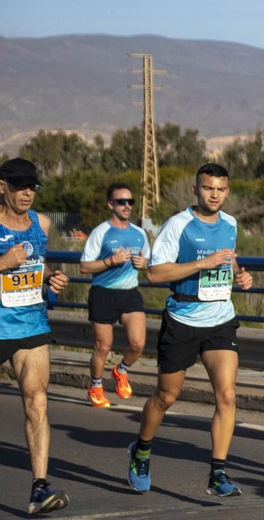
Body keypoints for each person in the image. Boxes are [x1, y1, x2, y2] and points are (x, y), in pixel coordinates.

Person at [135, 163, 254, 498]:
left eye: (220, 189)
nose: (214, 195)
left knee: (227, 395)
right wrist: (201, 263)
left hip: (219, 319)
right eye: (208, 188)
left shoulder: (230, 223)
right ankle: (142, 450)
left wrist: (240, 276)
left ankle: (218, 473)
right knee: (166, 397)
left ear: (227, 192)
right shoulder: (178, 225)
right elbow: (155, 275)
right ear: (195, 190)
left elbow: (229, 262)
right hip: (182, 320)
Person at [0, 158, 72, 515]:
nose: (26, 193)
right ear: (2, 187)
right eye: (19, 186)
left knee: (37, 400)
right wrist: (2, 263)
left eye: (32, 186)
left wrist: (51, 278)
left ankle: (39, 488)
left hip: (31, 324)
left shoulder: (41, 223)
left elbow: (36, 265)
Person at [79, 182, 149, 408]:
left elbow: (147, 259)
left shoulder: (139, 233)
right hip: (103, 294)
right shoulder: (100, 233)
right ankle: (96, 385)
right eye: (121, 202)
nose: (127, 206)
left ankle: (121, 370)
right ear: (111, 204)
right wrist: (111, 261)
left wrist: (143, 263)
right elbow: (84, 267)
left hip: (129, 293)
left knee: (138, 344)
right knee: (103, 347)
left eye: (130, 202)